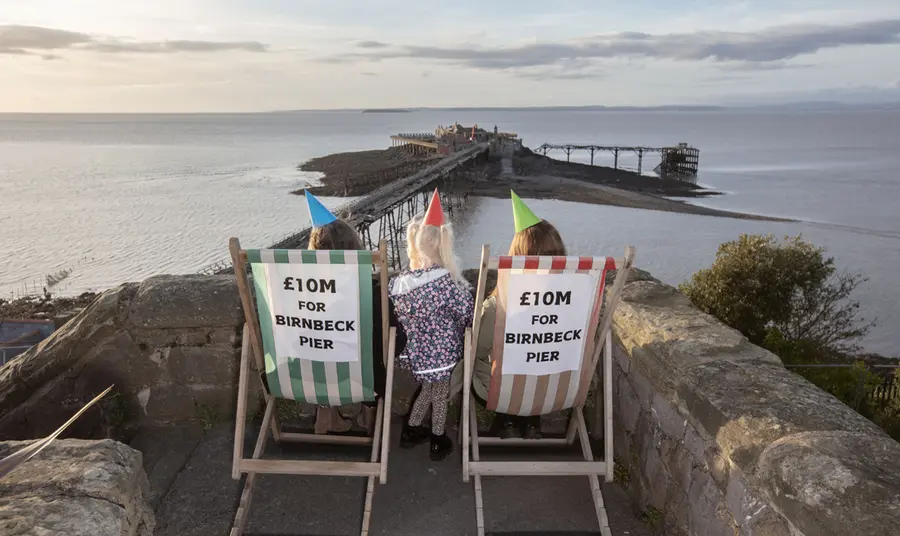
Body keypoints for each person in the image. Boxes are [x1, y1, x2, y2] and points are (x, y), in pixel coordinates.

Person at [449, 190, 567, 439]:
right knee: (537, 360)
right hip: (556, 390)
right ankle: (531, 423)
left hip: (504, 393)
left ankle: (508, 420)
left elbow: (477, 349)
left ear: (516, 257)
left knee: (486, 359)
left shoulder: (500, 305)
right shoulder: (572, 303)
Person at [304, 191, 407, 435]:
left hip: (306, 378)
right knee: (375, 354)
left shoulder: (298, 297)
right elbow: (396, 343)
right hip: (364, 382)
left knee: (316, 350)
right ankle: (369, 415)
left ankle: (325, 416)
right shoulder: (371, 294)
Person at [390, 189, 474, 461]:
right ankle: (438, 438)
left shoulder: (402, 282)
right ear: (445, 245)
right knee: (439, 394)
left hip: (417, 354)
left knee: (428, 389)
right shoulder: (449, 283)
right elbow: (467, 314)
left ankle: (411, 430)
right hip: (443, 354)